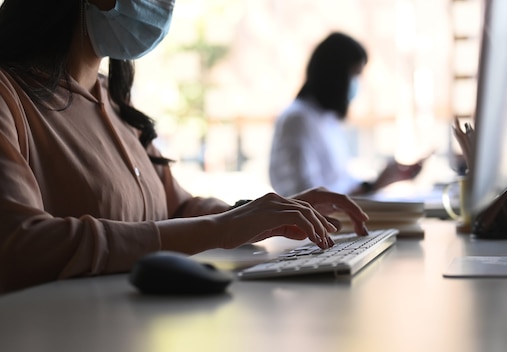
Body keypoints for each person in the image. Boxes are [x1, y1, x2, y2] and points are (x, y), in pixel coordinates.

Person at [0, 0, 369, 294]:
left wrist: (259, 216)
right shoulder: (9, 96)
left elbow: (177, 207)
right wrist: (220, 229)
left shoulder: (114, 103)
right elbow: (21, 244)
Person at [269, 32, 426, 197]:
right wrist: (368, 189)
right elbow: (304, 196)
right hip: (314, 222)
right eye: (354, 75)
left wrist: (380, 181)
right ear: (335, 76)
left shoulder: (327, 119)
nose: (356, 84)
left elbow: (340, 182)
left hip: (331, 219)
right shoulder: (297, 120)